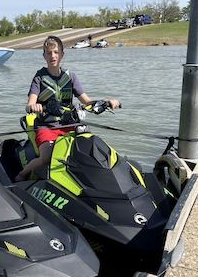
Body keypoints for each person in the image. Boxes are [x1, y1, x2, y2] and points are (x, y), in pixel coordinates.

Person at [14, 36, 120, 182]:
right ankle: (22, 174)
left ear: (62, 54)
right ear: (44, 55)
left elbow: (87, 102)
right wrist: (34, 106)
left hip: (68, 125)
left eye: (56, 52)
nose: (53, 56)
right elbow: (29, 104)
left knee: (87, 148)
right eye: (49, 53)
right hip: (46, 126)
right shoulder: (39, 78)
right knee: (47, 157)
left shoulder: (71, 77)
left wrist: (107, 102)